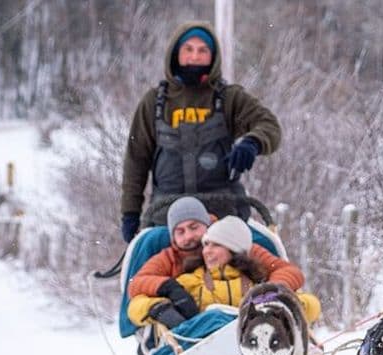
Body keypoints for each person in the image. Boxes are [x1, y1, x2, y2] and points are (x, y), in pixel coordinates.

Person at [120, 21, 282, 242]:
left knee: (267, 251)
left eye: (202, 50)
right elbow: (136, 161)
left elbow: (270, 126)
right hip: (166, 220)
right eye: (188, 49)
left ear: (212, 57)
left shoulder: (229, 98)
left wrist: (252, 143)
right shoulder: (154, 103)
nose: (195, 57)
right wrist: (130, 213)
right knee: (143, 260)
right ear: (175, 54)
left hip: (224, 218)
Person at [127, 197, 319, 329]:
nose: (189, 236)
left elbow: (288, 272)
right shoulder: (171, 260)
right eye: (180, 232)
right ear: (173, 236)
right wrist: (168, 291)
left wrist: (272, 292)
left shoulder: (240, 247)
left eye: (194, 227)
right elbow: (137, 284)